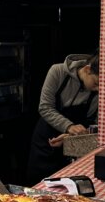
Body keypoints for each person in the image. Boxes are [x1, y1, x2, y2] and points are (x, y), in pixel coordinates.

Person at [26, 52, 99, 183]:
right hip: (45, 141)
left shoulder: (97, 92)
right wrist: (68, 127)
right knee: (38, 185)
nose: (98, 89)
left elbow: (92, 123)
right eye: (96, 83)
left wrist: (73, 136)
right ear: (87, 70)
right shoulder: (58, 71)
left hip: (72, 145)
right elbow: (45, 107)